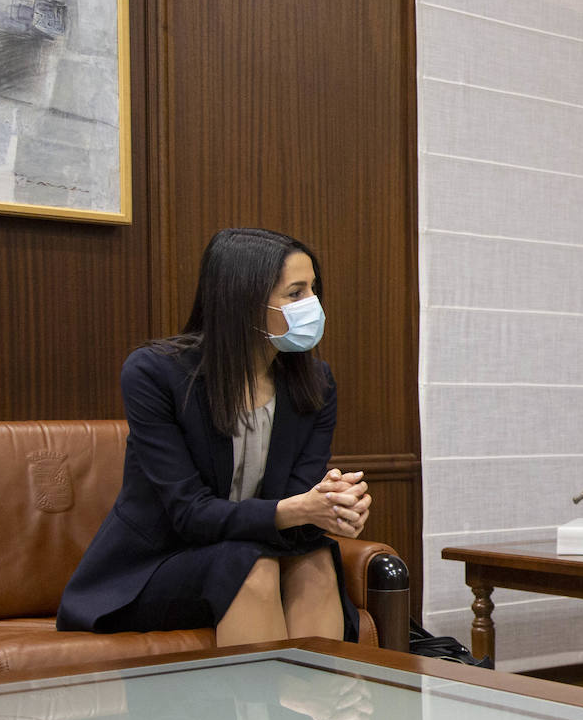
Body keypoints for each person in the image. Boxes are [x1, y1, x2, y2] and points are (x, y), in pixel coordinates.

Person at [58, 228, 372, 646]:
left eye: (314, 290)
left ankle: (324, 708)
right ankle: (263, 711)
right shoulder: (156, 374)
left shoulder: (315, 382)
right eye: (295, 293)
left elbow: (299, 499)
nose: (311, 305)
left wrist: (331, 506)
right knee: (249, 562)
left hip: (253, 549)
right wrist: (298, 509)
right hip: (157, 565)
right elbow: (189, 513)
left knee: (314, 556)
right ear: (241, 302)